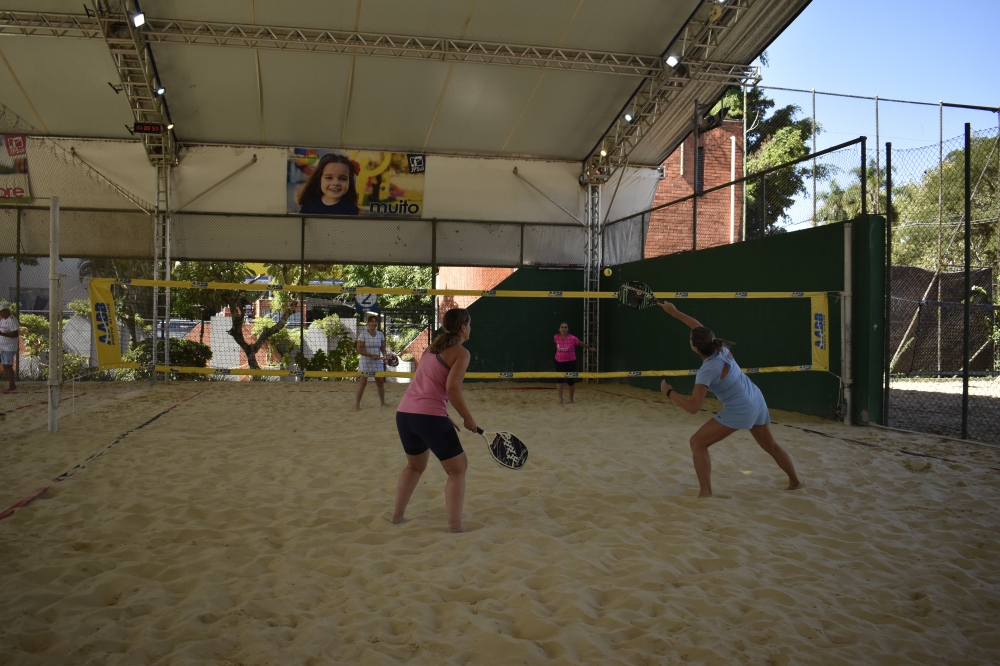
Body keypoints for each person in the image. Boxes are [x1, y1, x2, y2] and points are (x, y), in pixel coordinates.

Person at [657, 301, 801, 497]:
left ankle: (705, 493)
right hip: (756, 398)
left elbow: (693, 407)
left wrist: (669, 392)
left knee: (697, 443)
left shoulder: (707, 370)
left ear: (695, 347)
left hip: (741, 408)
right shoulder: (720, 348)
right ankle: (795, 481)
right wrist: (673, 312)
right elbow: (698, 327)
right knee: (770, 445)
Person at [391, 308, 476, 533]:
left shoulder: (432, 348)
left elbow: (426, 385)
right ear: (463, 327)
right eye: (469, 324)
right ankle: (455, 528)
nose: (470, 328)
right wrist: (467, 418)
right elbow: (452, 389)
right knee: (457, 469)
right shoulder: (461, 353)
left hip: (405, 415)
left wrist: (444, 415)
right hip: (428, 417)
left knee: (414, 466)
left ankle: (396, 517)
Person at [296, 152, 360, 215]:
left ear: (350, 181)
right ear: (319, 179)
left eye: (343, 178)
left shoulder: (350, 209)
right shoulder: (309, 203)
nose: (336, 183)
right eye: (329, 178)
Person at [553, 322, 594, 404]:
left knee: (570, 380)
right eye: (562, 327)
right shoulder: (556, 337)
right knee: (559, 380)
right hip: (559, 361)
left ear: (568, 329)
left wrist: (589, 348)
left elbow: (581, 344)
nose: (563, 328)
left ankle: (571, 399)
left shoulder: (572, 338)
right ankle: (560, 399)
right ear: (559, 329)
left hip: (570, 361)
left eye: (565, 327)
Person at [354, 313, 386, 410]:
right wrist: (371, 355)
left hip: (377, 362)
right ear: (368, 323)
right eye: (372, 321)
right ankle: (357, 405)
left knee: (380, 383)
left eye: (375, 321)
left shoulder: (380, 334)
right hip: (365, 362)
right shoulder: (363, 334)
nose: (374, 323)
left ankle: (383, 403)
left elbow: (383, 348)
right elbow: (359, 350)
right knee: (362, 383)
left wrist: (385, 355)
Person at [0, 304, 18, 391]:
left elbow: (15, 333)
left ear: (7, 310)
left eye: (3, 311)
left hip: (10, 347)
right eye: (1, 312)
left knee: (8, 366)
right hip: (3, 347)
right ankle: (11, 384)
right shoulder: (2, 320)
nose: (2, 313)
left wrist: (2, 334)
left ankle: (12, 385)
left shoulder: (12, 319)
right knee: (5, 365)